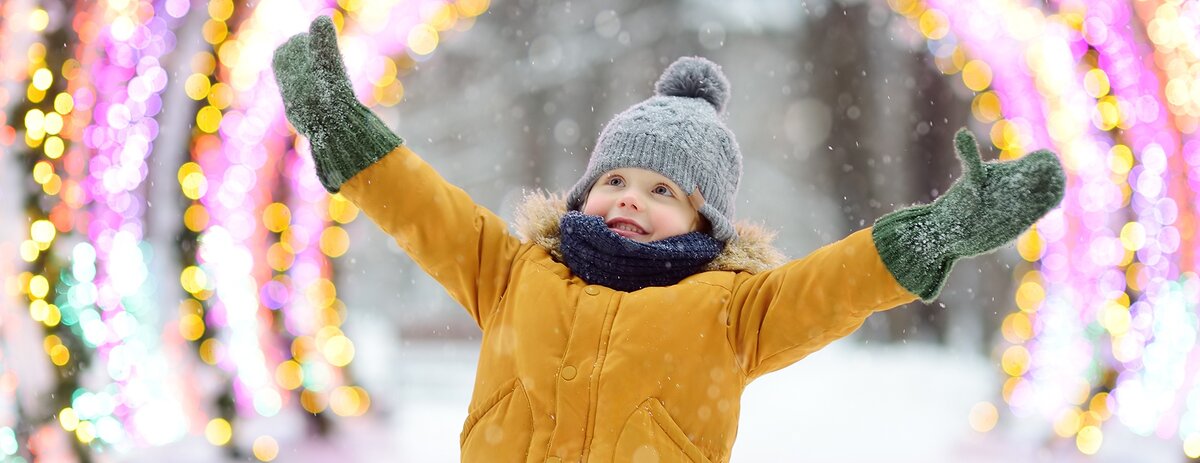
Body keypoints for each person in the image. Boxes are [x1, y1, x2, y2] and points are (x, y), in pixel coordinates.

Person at [272, 16, 1065, 462]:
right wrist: (346, 130)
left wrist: (939, 232)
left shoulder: (732, 312)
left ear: (705, 223)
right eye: (615, 179)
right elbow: (425, 208)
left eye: (663, 192)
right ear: (586, 190)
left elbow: (837, 283)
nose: (630, 200)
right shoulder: (515, 273)